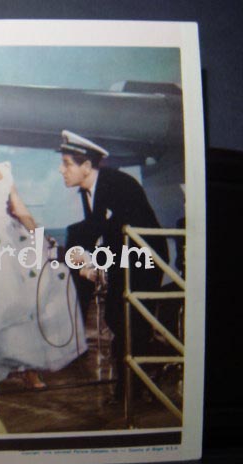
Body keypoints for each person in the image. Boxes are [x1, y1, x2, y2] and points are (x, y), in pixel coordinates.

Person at [0, 124, 86, 391]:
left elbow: (19, 208)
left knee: (29, 297)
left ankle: (29, 368)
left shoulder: (3, 170)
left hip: (11, 237)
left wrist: (39, 236)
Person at [58, 130, 169, 403]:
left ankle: (133, 388)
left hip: (143, 261)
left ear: (86, 166)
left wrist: (93, 261)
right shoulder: (89, 191)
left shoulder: (117, 185)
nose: (62, 170)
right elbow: (90, 231)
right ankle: (142, 376)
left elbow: (117, 233)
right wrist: (78, 258)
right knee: (118, 319)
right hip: (124, 261)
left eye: (67, 164)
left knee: (127, 321)